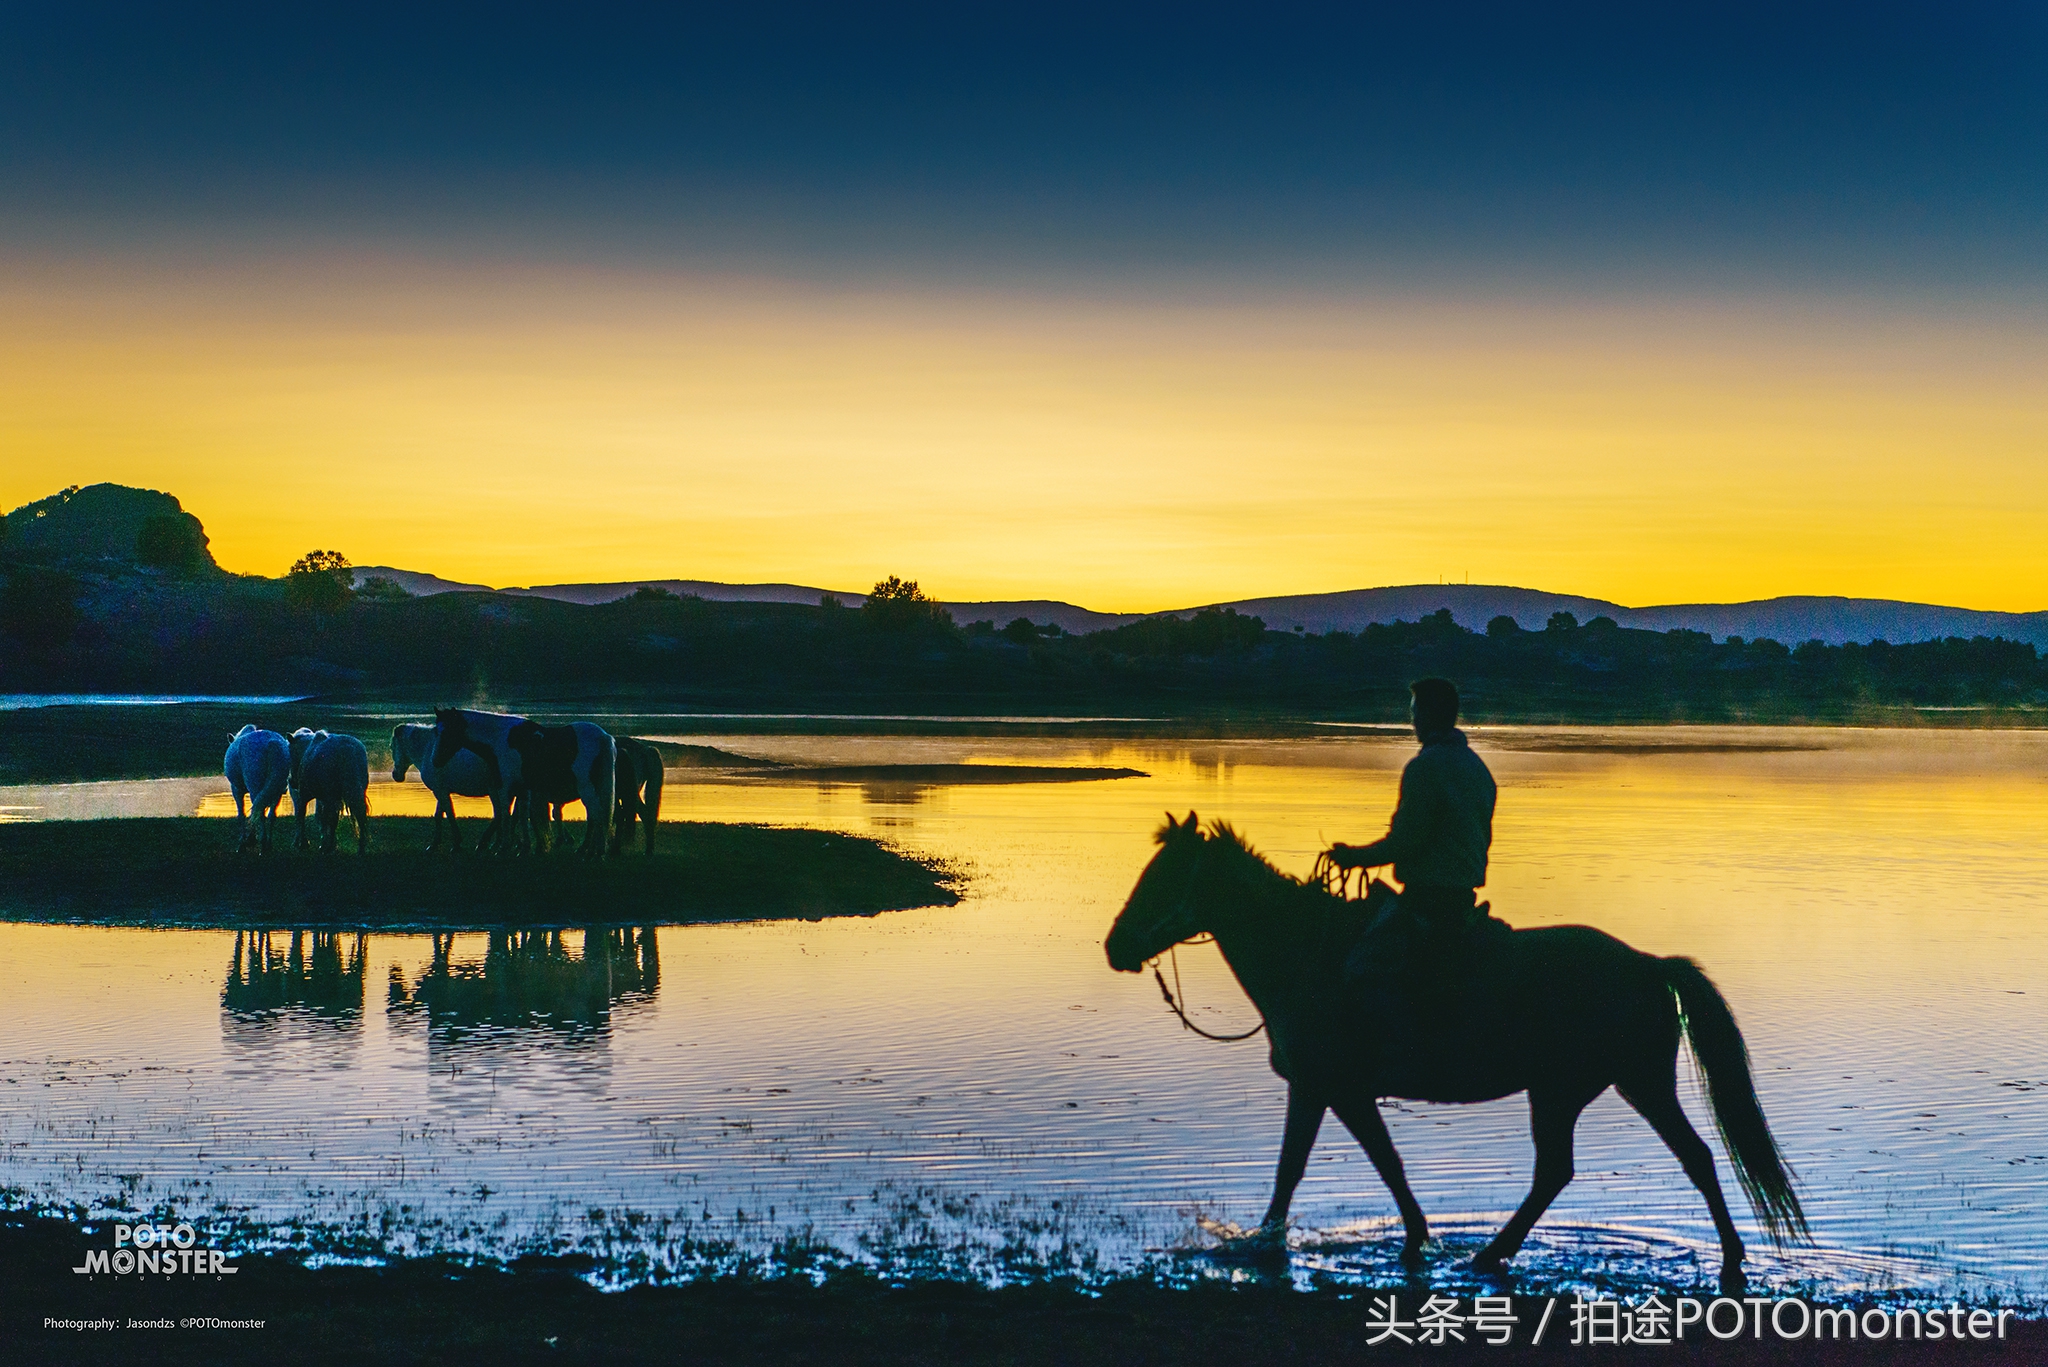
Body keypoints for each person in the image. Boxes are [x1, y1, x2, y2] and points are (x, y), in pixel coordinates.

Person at [1328, 677, 1497, 943]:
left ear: (1428, 716)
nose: (1413, 722)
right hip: (1463, 898)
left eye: (1415, 713)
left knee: (1362, 960)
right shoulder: (1478, 769)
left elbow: (1406, 842)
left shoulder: (1425, 768)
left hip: (1427, 900)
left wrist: (1354, 858)